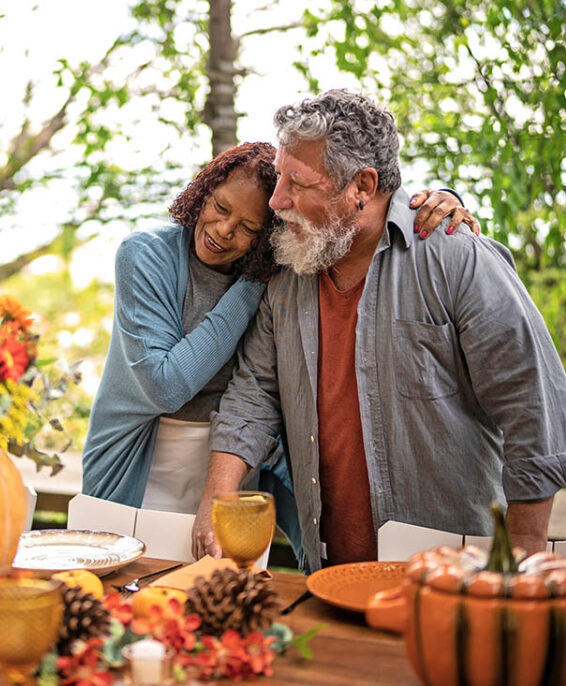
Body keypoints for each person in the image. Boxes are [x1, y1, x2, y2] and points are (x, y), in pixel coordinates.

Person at [193, 90, 566, 569]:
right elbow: (255, 393)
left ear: (362, 186)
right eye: (280, 176)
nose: (276, 199)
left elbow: (532, 401)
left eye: (298, 183)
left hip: (456, 574)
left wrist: (525, 550)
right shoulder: (288, 272)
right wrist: (216, 501)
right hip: (327, 573)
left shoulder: (454, 256)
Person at [79, 141, 474, 564]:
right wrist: (254, 281)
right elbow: (164, 385)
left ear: (269, 234)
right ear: (203, 190)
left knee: (223, 606)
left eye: (249, 228)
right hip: (139, 463)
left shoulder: (283, 273)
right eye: (220, 206)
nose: (224, 230)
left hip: (231, 468)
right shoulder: (146, 255)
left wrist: (443, 198)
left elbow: (356, 216)